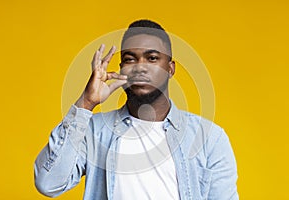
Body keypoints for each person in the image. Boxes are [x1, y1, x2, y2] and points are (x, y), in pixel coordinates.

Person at [34, 19, 239, 200]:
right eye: (130, 59)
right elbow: (48, 183)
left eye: (152, 58)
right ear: (122, 68)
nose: (140, 67)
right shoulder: (95, 131)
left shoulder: (209, 138)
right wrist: (86, 103)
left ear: (170, 69)